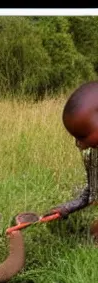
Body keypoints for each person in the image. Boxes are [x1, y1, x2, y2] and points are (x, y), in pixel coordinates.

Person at [47, 80, 98, 219]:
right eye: (75, 137)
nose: (79, 145)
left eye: (82, 136)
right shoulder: (92, 152)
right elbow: (93, 189)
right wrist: (69, 207)